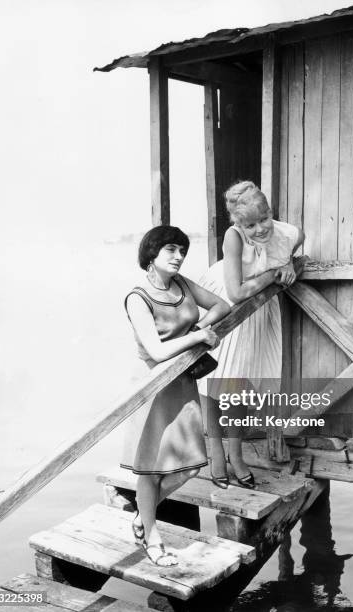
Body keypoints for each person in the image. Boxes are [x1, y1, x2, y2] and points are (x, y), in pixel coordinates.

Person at [121, 225, 230, 567]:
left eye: (182, 250)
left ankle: (143, 515)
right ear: (151, 253)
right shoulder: (138, 297)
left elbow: (222, 305)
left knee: (190, 468)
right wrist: (198, 338)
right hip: (156, 389)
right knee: (150, 471)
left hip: (183, 384)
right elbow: (155, 348)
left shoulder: (183, 285)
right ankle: (152, 539)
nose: (179, 256)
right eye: (171, 249)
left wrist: (200, 328)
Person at [198, 181, 305, 489]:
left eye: (264, 220)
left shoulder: (287, 232)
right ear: (237, 223)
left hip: (258, 311)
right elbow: (237, 291)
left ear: (270, 212)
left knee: (240, 385)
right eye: (250, 225)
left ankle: (236, 453)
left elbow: (297, 242)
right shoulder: (233, 238)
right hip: (228, 302)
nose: (259, 229)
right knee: (213, 380)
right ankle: (216, 453)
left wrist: (288, 265)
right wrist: (273, 274)